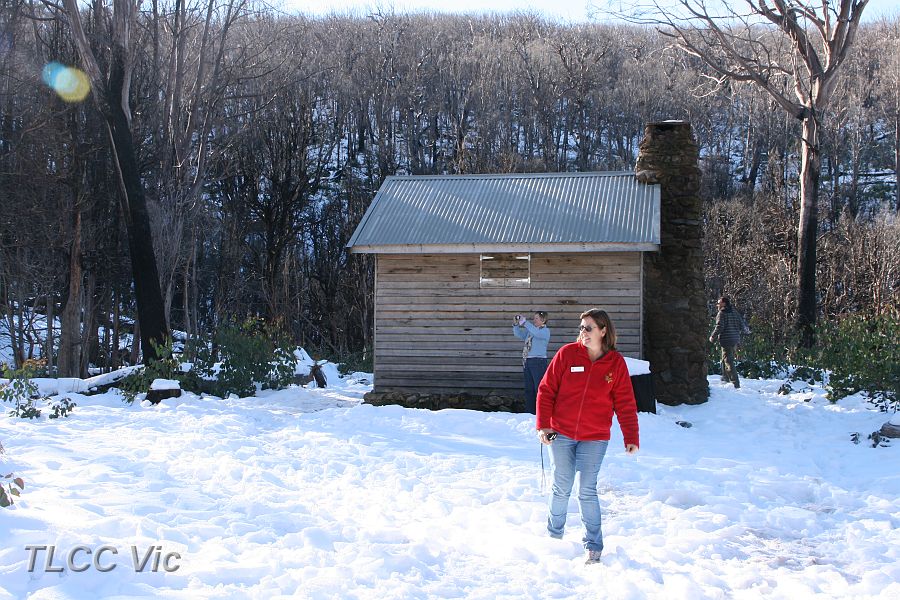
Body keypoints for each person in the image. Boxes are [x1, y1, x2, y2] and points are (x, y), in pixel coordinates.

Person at [536, 308, 639, 565]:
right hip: (561, 432)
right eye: (581, 327)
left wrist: (631, 436)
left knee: (586, 490)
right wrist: (543, 425)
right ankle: (553, 538)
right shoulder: (567, 354)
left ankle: (593, 546)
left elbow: (625, 402)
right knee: (561, 487)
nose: (583, 333)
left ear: (603, 331)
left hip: (595, 437)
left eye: (589, 328)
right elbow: (546, 390)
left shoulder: (615, 364)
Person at [512, 310, 551, 414]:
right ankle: (529, 412)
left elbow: (536, 333)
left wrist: (525, 323)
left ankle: (541, 412)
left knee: (538, 388)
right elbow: (519, 334)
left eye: (537, 318)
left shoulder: (545, 331)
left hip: (538, 362)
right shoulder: (531, 331)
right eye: (534, 318)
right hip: (528, 361)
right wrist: (516, 324)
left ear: (543, 320)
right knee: (529, 389)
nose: (534, 320)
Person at [709, 296, 749, 389]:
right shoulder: (734, 312)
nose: (717, 305)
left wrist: (713, 336)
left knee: (728, 361)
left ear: (724, 303)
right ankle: (725, 379)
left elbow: (719, 326)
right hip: (735, 339)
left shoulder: (722, 313)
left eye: (719, 303)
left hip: (726, 339)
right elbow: (741, 324)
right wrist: (746, 331)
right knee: (725, 359)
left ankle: (735, 383)